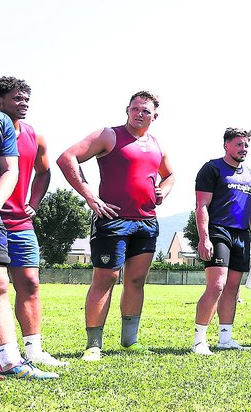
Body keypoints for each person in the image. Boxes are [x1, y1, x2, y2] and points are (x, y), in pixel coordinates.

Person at [57, 91, 175, 362]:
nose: (139, 113)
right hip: (112, 220)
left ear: (155, 115)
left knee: (135, 281)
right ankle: (93, 345)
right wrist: (89, 195)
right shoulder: (109, 135)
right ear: (127, 110)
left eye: (145, 110)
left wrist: (163, 190)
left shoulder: (157, 144)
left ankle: (129, 341)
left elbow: (171, 175)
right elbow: (67, 158)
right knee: (106, 279)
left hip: (146, 222)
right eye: (134, 108)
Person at [0, 56, 57, 379]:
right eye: (17, 98)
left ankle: (19, 356)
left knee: (7, 282)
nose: (24, 103)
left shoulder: (10, 127)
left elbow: (22, 171)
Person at [192, 128, 251, 355]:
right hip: (218, 231)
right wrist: (204, 238)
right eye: (239, 144)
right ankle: (199, 341)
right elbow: (201, 205)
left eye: (246, 145)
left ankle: (225, 339)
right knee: (217, 286)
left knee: (232, 288)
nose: (243, 149)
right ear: (226, 145)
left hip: (241, 236)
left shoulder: (250, 175)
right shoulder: (212, 168)